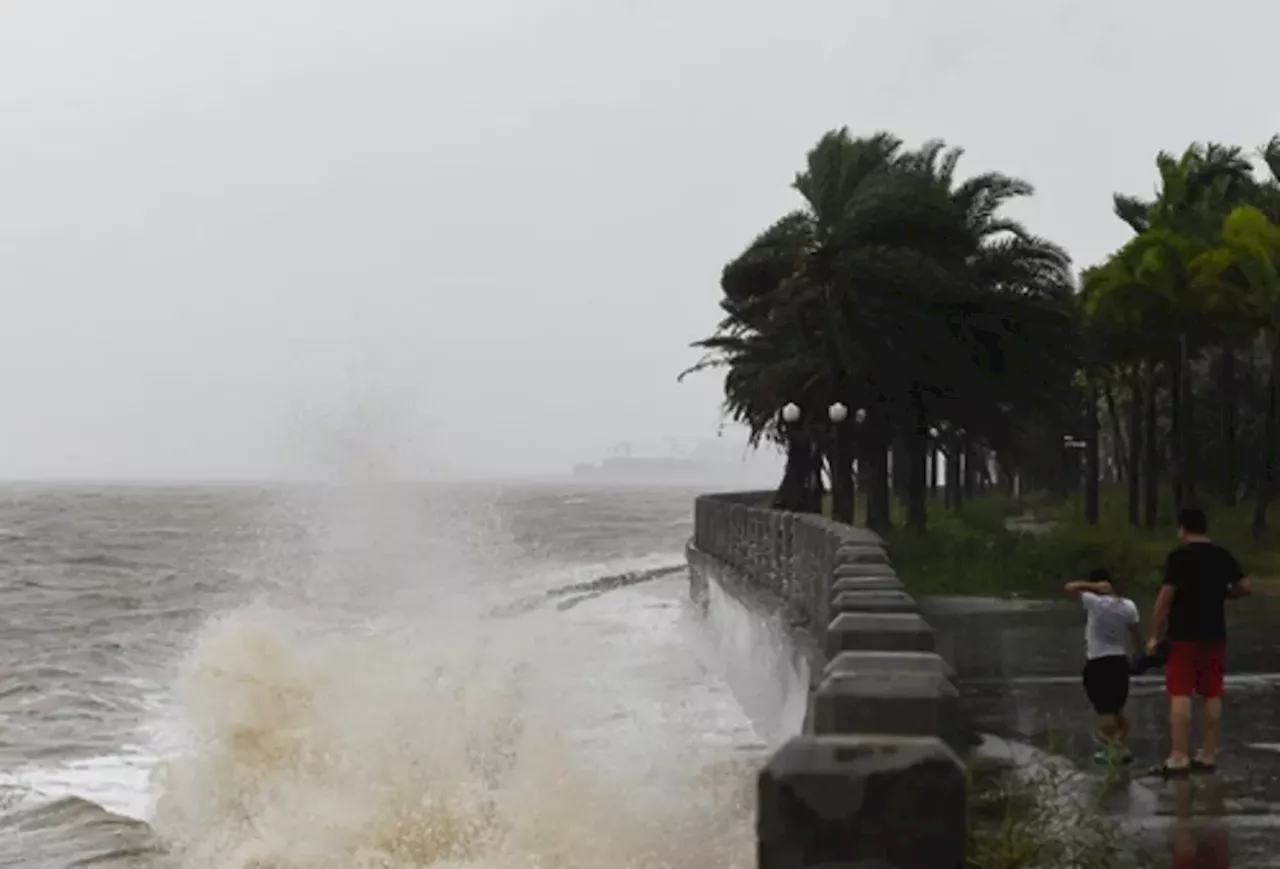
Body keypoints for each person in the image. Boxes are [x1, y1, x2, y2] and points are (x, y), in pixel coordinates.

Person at [1146, 506, 1252, 776]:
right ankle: (1207, 754)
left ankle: (1179, 755)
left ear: (1182, 529)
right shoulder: (1222, 554)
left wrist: (1155, 634)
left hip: (1183, 635)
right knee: (1212, 692)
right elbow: (1244, 587)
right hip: (1215, 633)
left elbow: (1165, 599)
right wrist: (1226, 594)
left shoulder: (1179, 556)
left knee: (1180, 693)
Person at [1064, 568, 1141, 764]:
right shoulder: (1129, 606)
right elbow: (1135, 634)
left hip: (1098, 661)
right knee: (1116, 709)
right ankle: (1120, 746)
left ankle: (1112, 750)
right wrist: (1140, 655)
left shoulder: (1094, 602)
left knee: (1105, 710)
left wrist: (1093, 587)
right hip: (1119, 660)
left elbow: (1069, 587)